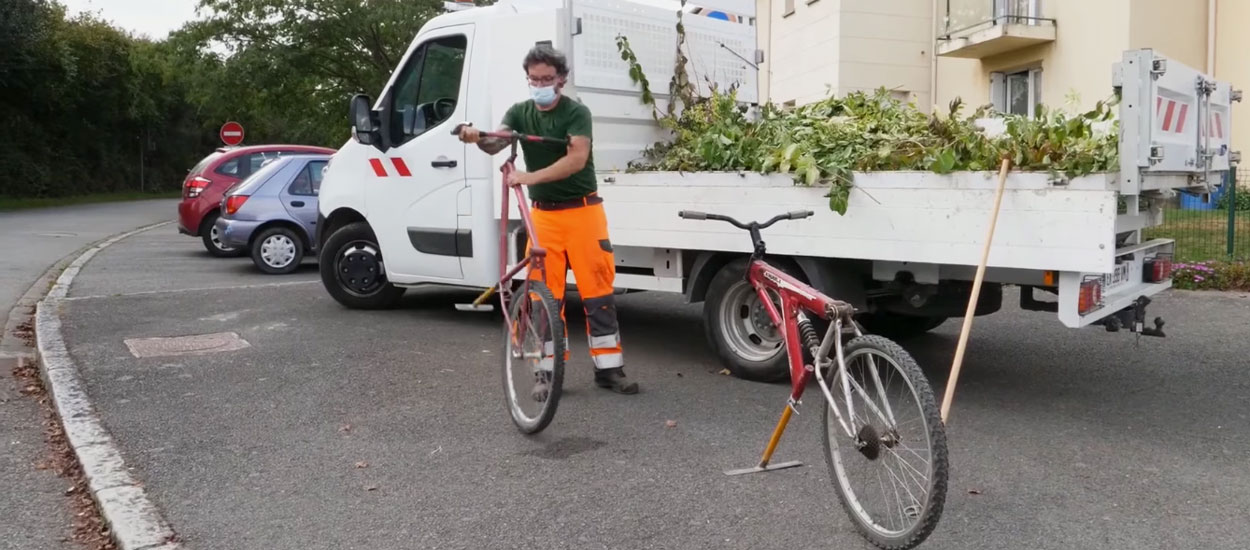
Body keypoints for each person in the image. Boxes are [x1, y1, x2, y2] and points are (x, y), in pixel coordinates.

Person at [456, 45, 638, 397]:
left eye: (546, 79)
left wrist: (529, 177)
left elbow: (577, 159)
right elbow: (496, 143)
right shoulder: (520, 112)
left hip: (584, 213)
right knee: (543, 299)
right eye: (533, 78)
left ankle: (610, 370)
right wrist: (476, 137)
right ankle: (546, 373)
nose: (539, 84)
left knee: (598, 292)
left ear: (561, 80)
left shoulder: (576, 113)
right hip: (545, 218)